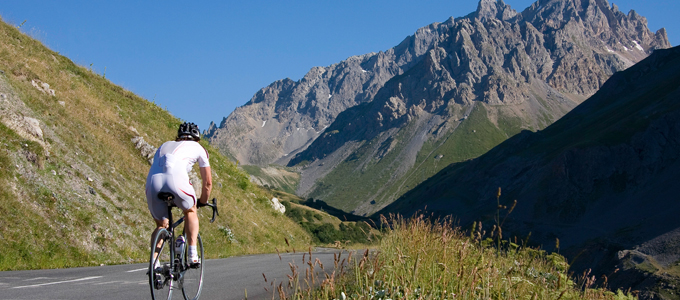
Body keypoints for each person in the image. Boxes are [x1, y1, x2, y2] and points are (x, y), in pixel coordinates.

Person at [146, 122, 212, 266]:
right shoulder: (199, 148)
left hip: (153, 181)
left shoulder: (164, 145)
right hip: (176, 180)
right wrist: (202, 201)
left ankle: (154, 264)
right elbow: (207, 182)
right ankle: (192, 254)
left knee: (161, 224)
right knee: (190, 210)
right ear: (197, 139)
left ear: (178, 137)